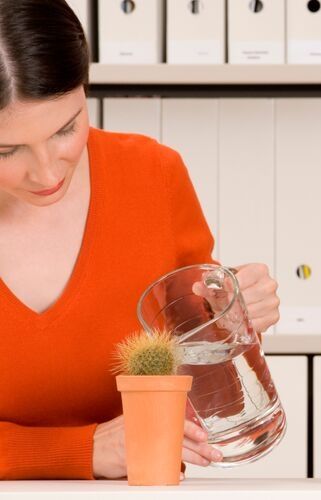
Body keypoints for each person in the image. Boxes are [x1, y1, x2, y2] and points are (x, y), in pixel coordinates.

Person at [0, 0, 280, 480]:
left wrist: (231, 315)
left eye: (67, 128)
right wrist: (83, 450)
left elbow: (207, 398)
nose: (47, 172)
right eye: (6, 150)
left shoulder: (152, 174)